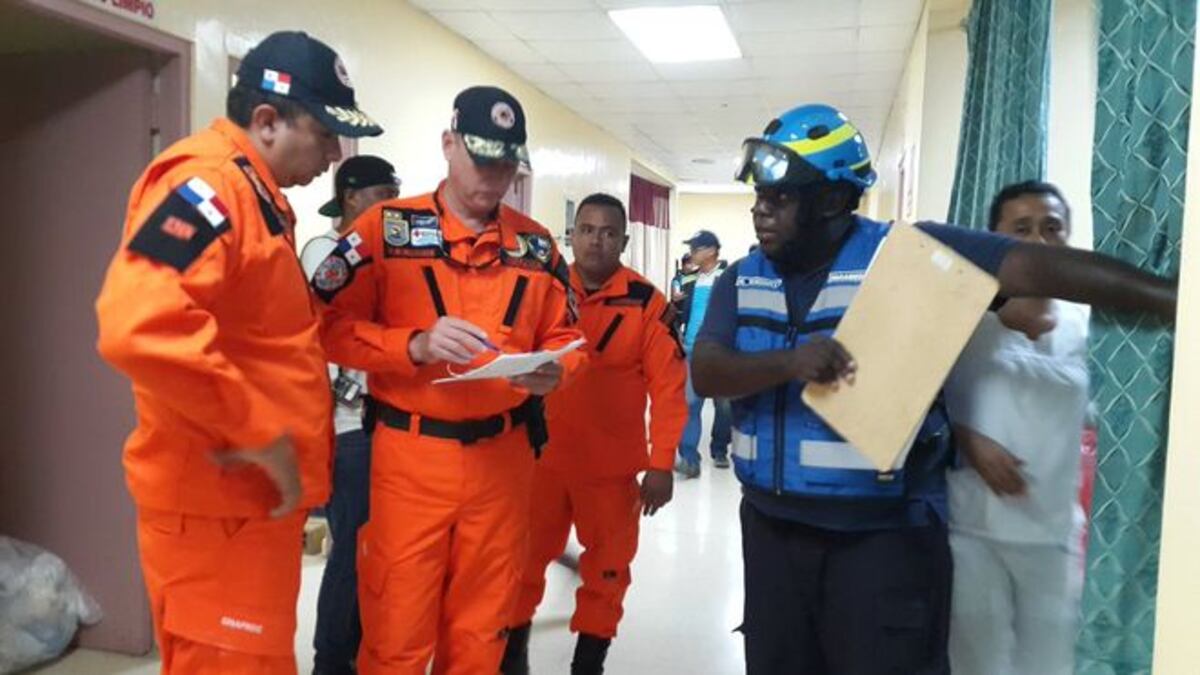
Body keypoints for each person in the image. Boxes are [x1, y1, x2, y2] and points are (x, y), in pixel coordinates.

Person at [689, 103, 1176, 674]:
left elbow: (1040, 269)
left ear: (831, 201)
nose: (760, 212)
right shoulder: (739, 279)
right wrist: (792, 362)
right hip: (772, 535)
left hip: (879, 544)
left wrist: (1174, 298)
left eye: (780, 198)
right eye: (759, 199)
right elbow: (709, 369)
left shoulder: (909, 256)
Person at [95, 31, 381, 675]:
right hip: (216, 513)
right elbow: (137, 322)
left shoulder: (258, 199)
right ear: (267, 120)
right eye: (326, 133)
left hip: (246, 509)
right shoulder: (209, 187)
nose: (336, 154)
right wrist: (255, 428)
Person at [311, 85, 586, 675]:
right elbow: (326, 325)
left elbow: (568, 334)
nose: (494, 176)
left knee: (481, 635)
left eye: (507, 163)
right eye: (481, 158)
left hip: (504, 466)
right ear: (448, 144)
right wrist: (412, 344)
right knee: (396, 634)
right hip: (411, 461)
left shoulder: (536, 247)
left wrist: (556, 370)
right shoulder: (383, 231)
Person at [502, 193, 688, 675]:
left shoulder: (646, 303)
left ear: (623, 240)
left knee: (607, 573)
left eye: (608, 233)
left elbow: (669, 387)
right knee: (520, 565)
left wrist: (662, 463)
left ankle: (588, 664)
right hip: (540, 461)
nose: (596, 241)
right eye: (586, 230)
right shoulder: (544, 287)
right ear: (572, 235)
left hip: (611, 471)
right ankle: (511, 656)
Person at [945, 181, 1089, 675]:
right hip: (971, 530)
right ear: (994, 240)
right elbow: (915, 401)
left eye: (1053, 229)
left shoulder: (1089, 323)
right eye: (1021, 229)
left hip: (1052, 535)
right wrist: (968, 439)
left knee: (1050, 665)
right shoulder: (964, 315)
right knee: (975, 665)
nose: (1040, 242)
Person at [300, 155, 400, 675]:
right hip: (349, 428)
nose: (393, 205)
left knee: (375, 553)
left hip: (384, 425)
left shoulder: (380, 254)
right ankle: (332, 662)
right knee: (350, 553)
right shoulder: (326, 251)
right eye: (385, 194)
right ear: (353, 197)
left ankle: (360, 656)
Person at [676, 230, 732, 477]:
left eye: (696, 249)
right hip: (691, 349)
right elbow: (680, 314)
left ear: (711, 251)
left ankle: (719, 449)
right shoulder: (689, 281)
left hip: (720, 351)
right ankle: (689, 458)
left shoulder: (729, 278)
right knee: (690, 404)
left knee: (724, 405)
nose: (692, 254)